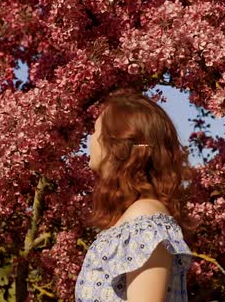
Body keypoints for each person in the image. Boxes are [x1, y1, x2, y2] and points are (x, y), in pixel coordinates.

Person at [75, 88, 198, 302]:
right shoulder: (133, 219)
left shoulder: (145, 221)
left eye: (95, 131)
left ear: (117, 144)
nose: (90, 138)